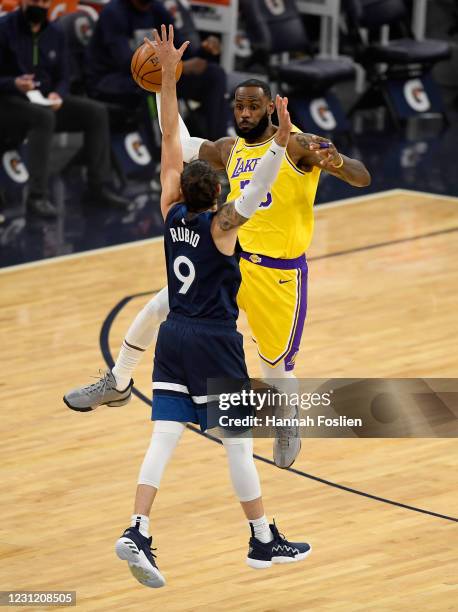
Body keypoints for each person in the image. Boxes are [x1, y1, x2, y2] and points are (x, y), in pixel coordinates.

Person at [65, 65, 371, 470]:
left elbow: (361, 176)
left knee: (275, 366)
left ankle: (286, 420)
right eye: (239, 106)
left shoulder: (300, 145)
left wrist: (339, 161)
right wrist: (162, 86)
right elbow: (180, 138)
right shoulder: (230, 149)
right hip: (232, 258)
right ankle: (118, 381)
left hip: (279, 274)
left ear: (269, 110)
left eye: (252, 107)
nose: (243, 113)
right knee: (161, 307)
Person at [113, 25, 311, 588]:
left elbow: (171, 137)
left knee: (164, 438)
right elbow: (259, 185)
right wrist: (281, 138)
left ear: (178, 189)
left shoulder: (170, 212)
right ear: (219, 196)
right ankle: (261, 539)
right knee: (239, 443)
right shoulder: (226, 227)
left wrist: (167, 81)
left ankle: (138, 527)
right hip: (214, 342)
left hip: (173, 338)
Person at [0, 0, 131, 218]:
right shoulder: (4, 29)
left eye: (44, 2)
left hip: (45, 101)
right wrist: (13, 83)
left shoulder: (56, 33)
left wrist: (58, 94)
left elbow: (64, 76)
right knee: (43, 118)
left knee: (96, 112)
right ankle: (37, 197)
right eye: (35, 1)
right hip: (9, 102)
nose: (39, 6)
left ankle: (98, 186)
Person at [86, 0, 229, 140]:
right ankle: (161, 155)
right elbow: (126, 63)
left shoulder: (157, 10)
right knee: (151, 85)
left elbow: (184, 51)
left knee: (214, 74)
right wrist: (178, 67)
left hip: (157, 73)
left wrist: (205, 49)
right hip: (109, 79)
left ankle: (216, 147)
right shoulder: (114, 12)